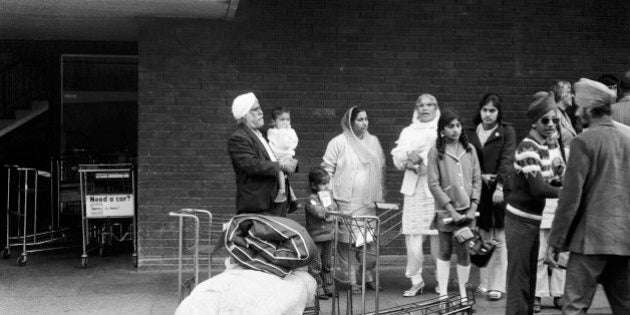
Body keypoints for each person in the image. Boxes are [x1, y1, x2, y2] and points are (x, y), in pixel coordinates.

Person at [547, 78, 630, 314]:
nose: (577, 111)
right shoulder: (627, 140)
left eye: (580, 106)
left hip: (589, 241)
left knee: (574, 307)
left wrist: (555, 242)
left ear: (590, 109)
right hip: (623, 240)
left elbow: (570, 198)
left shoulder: (583, 142)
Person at [505, 91, 561, 315]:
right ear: (534, 122)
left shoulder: (543, 146)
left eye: (554, 120)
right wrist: (566, 190)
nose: (550, 124)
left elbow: (549, 180)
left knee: (528, 280)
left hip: (531, 222)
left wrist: (561, 181)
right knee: (519, 281)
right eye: (545, 120)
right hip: (520, 222)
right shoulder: (529, 147)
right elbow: (538, 188)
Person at [322, 106, 386, 293]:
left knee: (367, 244)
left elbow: (379, 168)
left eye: (366, 119)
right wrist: (329, 201)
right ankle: (352, 281)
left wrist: (378, 197)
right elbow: (326, 170)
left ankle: (367, 276)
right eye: (359, 119)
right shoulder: (339, 142)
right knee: (347, 245)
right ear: (350, 122)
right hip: (345, 202)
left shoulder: (372, 141)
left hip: (367, 203)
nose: (364, 123)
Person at [427, 109, 481, 304]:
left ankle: (463, 293)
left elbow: (477, 180)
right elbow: (433, 184)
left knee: (464, 250)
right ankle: (443, 294)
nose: (455, 129)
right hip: (446, 211)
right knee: (445, 250)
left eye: (458, 125)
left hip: (467, 210)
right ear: (442, 129)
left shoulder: (470, 149)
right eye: (450, 126)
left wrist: (473, 206)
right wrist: (450, 210)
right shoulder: (435, 151)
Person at [391, 93, 441, 297]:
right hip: (413, 189)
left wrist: (422, 158)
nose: (425, 108)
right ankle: (416, 280)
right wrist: (407, 158)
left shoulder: (441, 129)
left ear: (436, 108)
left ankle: (441, 279)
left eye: (430, 104)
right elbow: (397, 156)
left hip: (435, 189)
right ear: (416, 108)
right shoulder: (408, 131)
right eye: (421, 105)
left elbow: (443, 154)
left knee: (439, 235)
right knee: (413, 237)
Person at [467, 93, 516, 302]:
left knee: (500, 239)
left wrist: (500, 186)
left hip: (498, 192)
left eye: (492, 110)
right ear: (480, 110)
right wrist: (479, 177)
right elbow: (467, 160)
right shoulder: (471, 132)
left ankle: (497, 285)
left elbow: (507, 159)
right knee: (483, 236)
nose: (488, 114)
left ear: (498, 112)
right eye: (485, 110)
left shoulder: (506, 131)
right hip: (478, 190)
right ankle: (484, 283)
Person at [227, 92, 297, 216]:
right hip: (259, 206)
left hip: (276, 203)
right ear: (245, 114)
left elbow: (277, 154)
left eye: (260, 108)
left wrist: (292, 163)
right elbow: (251, 165)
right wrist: (280, 165)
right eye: (256, 109)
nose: (261, 112)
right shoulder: (238, 138)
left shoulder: (263, 134)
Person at [533, 128, 567, 313]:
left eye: (555, 130)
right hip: (542, 207)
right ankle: (538, 293)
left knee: (560, 253)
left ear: (559, 134)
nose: (551, 134)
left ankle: (559, 293)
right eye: (548, 130)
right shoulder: (536, 152)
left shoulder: (565, 153)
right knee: (539, 253)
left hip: (560, 209)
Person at [305, 167, 337, 300]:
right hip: (317, 238)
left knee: (327, 263)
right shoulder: (312, 199)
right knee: (316, 265)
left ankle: (329, 287)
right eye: (323, 184)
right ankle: (317, 289)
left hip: (328, 236)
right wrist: (328, 209)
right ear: (314, 185)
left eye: (327, 184)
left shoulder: (327, 196)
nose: (326, 187)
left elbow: (334, 208)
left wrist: (329, 204)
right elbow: (319, 212)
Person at [267, 106, 299, 203]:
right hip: (277, 156)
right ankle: (293, 197)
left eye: (287, 119)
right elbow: (272, 143)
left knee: (280, 170)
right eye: (282, 120)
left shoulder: (290, 132)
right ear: (274, 122)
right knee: (283, 177)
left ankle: (282, 192)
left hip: (286, 156)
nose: (285, 122)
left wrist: (284, 133)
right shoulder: (272, 131)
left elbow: (288, 144)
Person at [550, 80, 578, 147]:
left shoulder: (565, 115)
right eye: (569, 92)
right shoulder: (553, 115)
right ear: (561, 94)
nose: (573, 96)